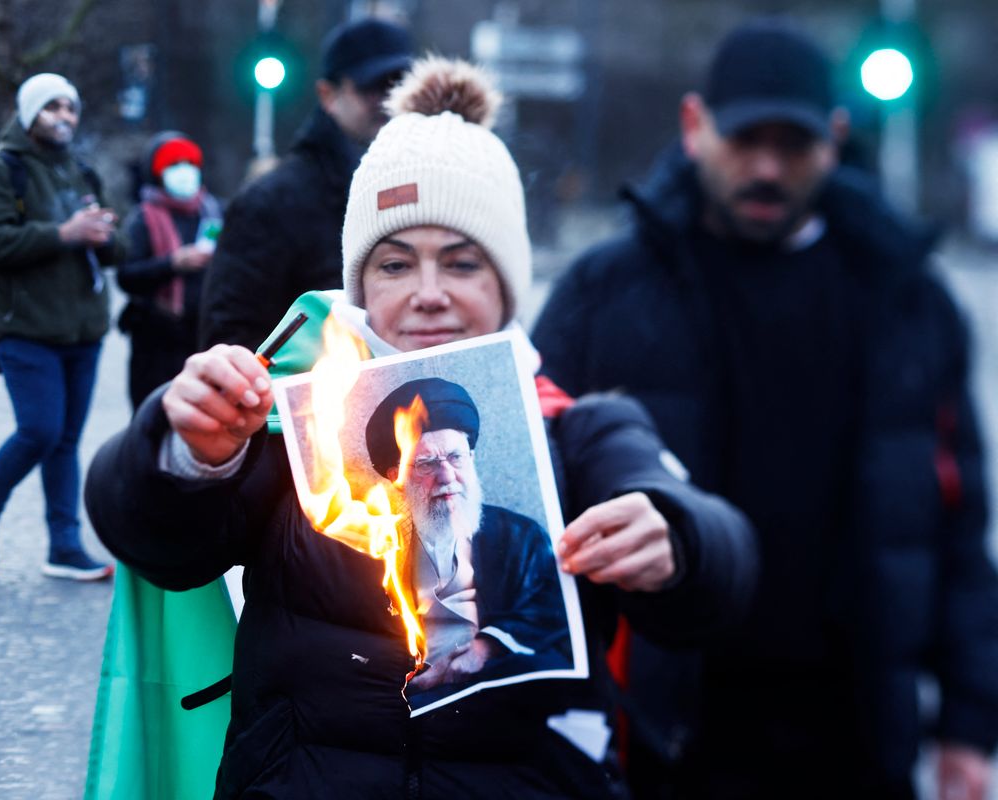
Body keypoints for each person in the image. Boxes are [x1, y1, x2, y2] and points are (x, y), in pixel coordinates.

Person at [86, 57, 757, 798]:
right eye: (396, 264)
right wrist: (183, 450)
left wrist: (677, 538)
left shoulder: (577, 432)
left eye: (463, 264)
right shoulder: (293, 437)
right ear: (360, 285)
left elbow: (718, 564)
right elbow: (153, 542)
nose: (428, 295)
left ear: (507, 283)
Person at [532, 18, 998, 800]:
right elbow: (531, 485)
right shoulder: (607, 290)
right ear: (694, 126)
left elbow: (954, 526)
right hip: (661, 728)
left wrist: (969, 727)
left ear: (837, 139)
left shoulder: (905, 299)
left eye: (794, 145)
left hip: (853, 724)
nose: (768, 168)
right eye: (747, 141)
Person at [0, 72, 123, 581]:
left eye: (71, 108)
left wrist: (103, 235)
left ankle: (64, 546)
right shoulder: (1, 170)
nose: (65, 117)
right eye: (52, 107)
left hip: (82, 329)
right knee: (40, 430)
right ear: (30, 114)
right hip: (24, 327)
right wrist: (64, 232)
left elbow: (113, 253)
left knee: (67, 440)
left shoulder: (81, 172)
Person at [197, 16, 414, 351]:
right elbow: (230, 340)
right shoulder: (270, 202)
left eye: (400, 85)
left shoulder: (426, 192)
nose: (388, 100)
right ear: (328, 95)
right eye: (371, 87)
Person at [364, 377, 571, 699]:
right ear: (397, 478)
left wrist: (487, 647)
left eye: (455, 457)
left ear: (471, 458)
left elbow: (552, 612)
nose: (446, 477)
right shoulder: (380, 548)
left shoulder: (522, 537)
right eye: (426, 463)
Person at [117, 131, 223, 410]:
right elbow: (127, 275)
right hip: (155, 341)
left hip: (201, 336)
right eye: (173, 165)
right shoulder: (142, 218)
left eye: (189, 163)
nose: (184, 171)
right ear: (157, 172)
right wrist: (172, 263)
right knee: (153, 418)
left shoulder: (212, 212)